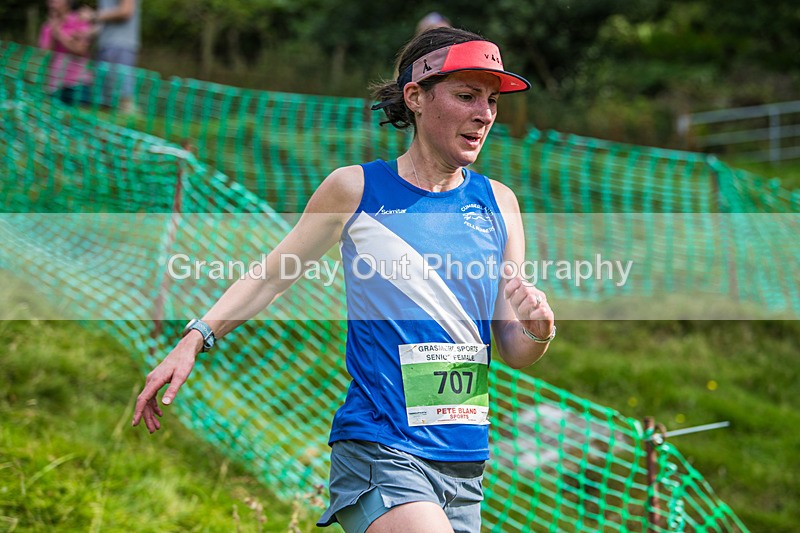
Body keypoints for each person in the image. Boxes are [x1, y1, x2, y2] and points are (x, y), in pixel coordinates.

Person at [132, 27, 556, 533]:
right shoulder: (356, 189)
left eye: (490, 100)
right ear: (415, 97)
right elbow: (271, 276)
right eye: (466, 96)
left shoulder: (499, 203)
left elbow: (513, 347)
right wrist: (194, 338)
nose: (484, 113)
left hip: (465, 462)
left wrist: (538, 330)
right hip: (381, 450)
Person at [79, 0, 140, 112]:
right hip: (104, 46)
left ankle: (131, 125)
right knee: (104, 100)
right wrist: (88, 33)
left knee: (123, 99)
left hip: (121, 45)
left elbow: (126, 11)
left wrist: (93, 15)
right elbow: (106, 21)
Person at [38, 0, 94, 106]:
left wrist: (58, 33)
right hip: (55, 85)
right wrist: (53, 30)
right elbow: (45, 54)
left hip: (78, 84)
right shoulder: (47, 27)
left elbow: (80, 50)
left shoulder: (80, 20)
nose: (52, 4)